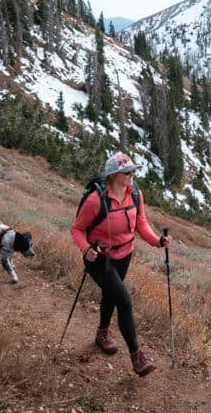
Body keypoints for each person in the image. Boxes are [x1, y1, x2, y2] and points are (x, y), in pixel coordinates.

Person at [70, 151, 171, 376]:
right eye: (127, 172)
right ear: (114, 175)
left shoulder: (135, 194)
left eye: (133, 170)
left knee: (111, 295)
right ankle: (137, 356)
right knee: (124, 300)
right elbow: (76, 229)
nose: (132, 174)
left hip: (125, 254)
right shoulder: (96, 200)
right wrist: (86, 249)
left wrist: (157, 241)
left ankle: (102, 333)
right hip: (99, 258)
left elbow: (141, 224)